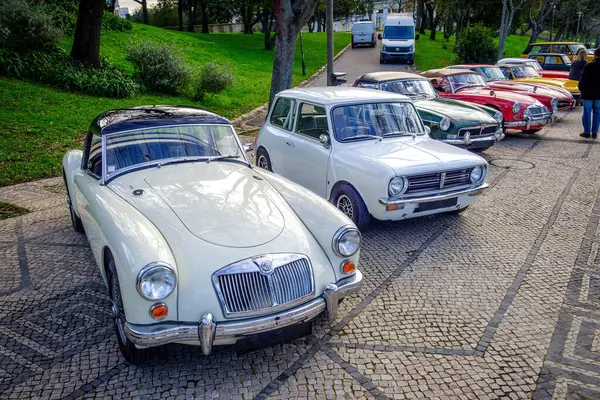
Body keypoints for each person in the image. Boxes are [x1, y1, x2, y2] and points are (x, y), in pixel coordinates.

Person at [578, 47, 600, 138]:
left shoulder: (589, 66)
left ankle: (586, 132)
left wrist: (580, 88)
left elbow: (583, 79)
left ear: (595, 55)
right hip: (599, 94)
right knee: (597, 113)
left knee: (587, 113)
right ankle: (595, 132)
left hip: (588, 93)